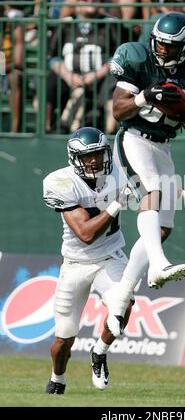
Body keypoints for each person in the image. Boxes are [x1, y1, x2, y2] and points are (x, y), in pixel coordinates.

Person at [104, 11, 185, 338]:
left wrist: (184, 112)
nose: (162, 50)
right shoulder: (136, 57)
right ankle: (157, 264)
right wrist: (144, 96)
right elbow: (117, 110)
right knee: (151, 189)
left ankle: (124, 293)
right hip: (134, 138)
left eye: (170, 47)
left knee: (163, 228)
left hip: (163, 146)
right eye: (160, 44)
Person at [42, 127, 134, 394]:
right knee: (63, 339)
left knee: (124, 304)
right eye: (87, 156)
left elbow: (156, 189)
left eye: (98, 154)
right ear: (74, 158)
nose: (94, 161)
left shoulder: (119, 172)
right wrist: (117, 203)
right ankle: (57, 378)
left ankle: (99, 353)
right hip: (75, 263)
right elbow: (86, 234)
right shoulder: (59, 182)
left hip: (111, 256)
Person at [46, 0, 118, 134]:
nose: (90, 1)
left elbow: (117, 56)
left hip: (100, 76)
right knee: (49, 82)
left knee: (114, 82)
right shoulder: (66, 24)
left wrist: (96, 75)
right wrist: (68, 76)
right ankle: (45, 129)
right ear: (77, 2)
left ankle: (110, 131)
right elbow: (52, 56)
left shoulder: (109, 24)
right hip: (68, 75)